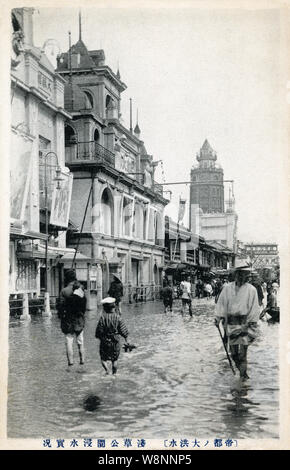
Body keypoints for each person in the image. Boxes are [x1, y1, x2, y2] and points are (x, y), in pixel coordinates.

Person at [214, 262, 260, 380]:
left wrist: (249, 324)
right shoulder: (227, 288)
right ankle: (243, 374)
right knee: (234, 355)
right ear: (236, 274)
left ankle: (243, 378)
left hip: (245, 324)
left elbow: (254, 309)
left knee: (243, 354)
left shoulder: (252, 290)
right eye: (240, 273)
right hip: (231, 324)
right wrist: (217, 318)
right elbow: (221, 304)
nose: (242, 276)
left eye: (245, 274)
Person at [95, 297, 129, 375]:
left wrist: (101, 338)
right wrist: (127, 341)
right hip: (115, 341)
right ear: (114, 307)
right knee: (115, 360)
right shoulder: (118, 317)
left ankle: (107, 371)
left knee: (103, 359)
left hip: (105, 341)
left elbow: (98, 332)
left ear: (105, 308)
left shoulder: (102, 318)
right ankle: (114, 374)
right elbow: (124, 331)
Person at [59, 281, 87, 366]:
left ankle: (70, 362)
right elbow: (83, 311)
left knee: (69, 342)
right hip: (79, 322)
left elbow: (62, 309)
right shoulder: (83, 299)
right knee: (80, 342)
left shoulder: (68, 299)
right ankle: (82, 361)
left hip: (69, 323)